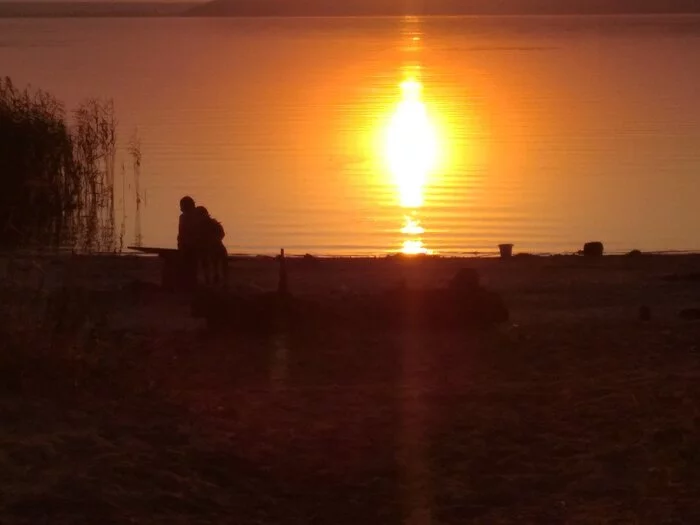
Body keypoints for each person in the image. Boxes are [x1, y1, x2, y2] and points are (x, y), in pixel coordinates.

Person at [194, 205, 228, 286]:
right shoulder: (199, 226)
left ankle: (217, 279)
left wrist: (213, 240)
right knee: (205, 261)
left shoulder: (213, 223)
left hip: (216, 247)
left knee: (215, 262)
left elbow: (221, 234)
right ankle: (209, 279)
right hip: (207, 248)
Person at [177, 196, 199, 290]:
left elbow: (183, 234)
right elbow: (181, 234)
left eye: (182, 206)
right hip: (187, 246)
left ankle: (187, 283)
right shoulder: (184, 217)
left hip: (193, 247)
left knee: (187, 261)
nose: (180, 208)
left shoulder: (190, 217)